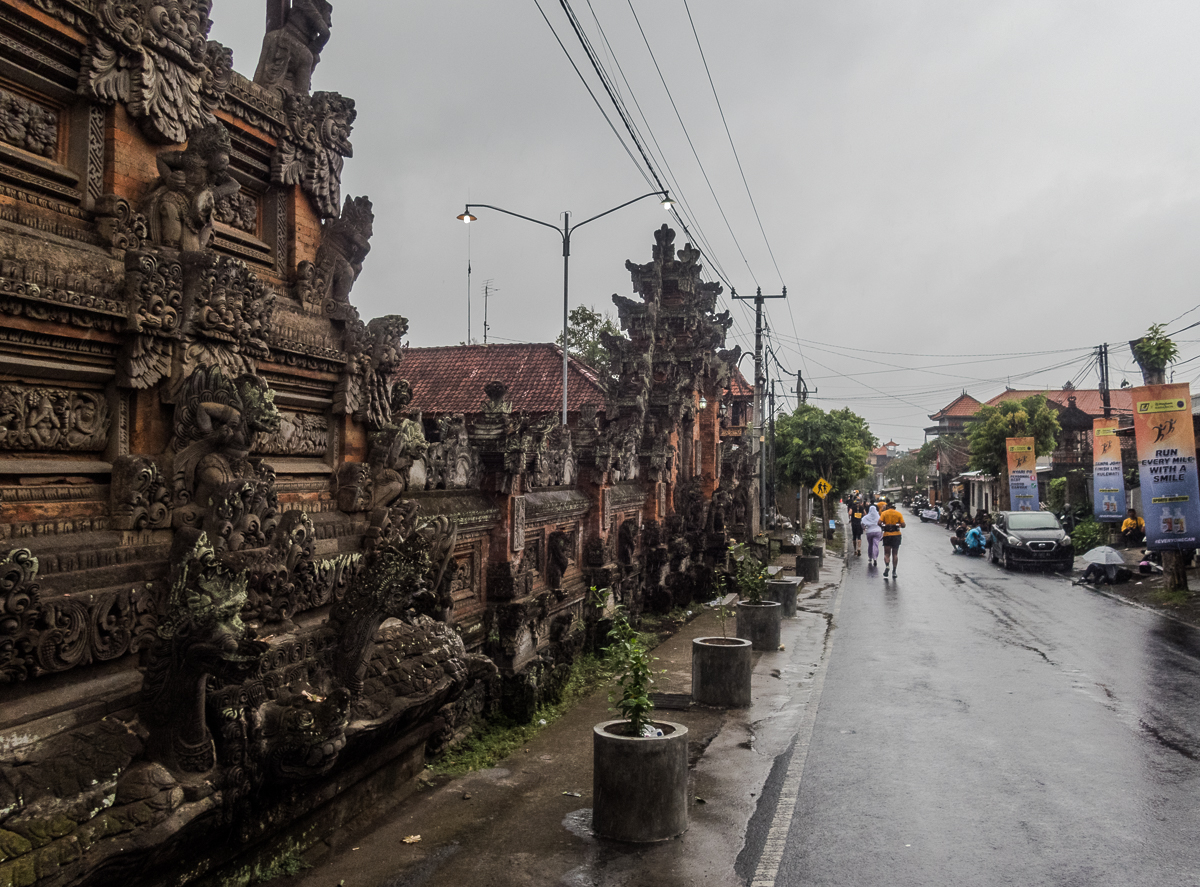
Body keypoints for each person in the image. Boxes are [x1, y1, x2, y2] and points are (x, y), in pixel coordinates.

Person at [880, 500, 906, 578]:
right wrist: (899, 525)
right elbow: (904, 525)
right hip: (896, 535)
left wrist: (884, 526)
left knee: (887, 554)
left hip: (887, 535)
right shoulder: (898, 514)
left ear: (888, 507)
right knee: (895, 554)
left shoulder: (884, 513)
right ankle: (894, 571)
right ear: (894, 507)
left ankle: (887, 566)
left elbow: (879, 522)